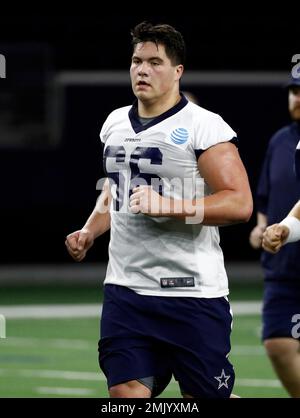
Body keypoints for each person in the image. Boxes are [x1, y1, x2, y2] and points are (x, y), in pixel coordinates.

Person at [65, 21, 253, 398]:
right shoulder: (114, 123)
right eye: (137, 61)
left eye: (155, 62)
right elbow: (115, 191)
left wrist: (172, 207)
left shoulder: (204, 126)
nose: (143, 70)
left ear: (177, 70)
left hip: (191, 293)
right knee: (125, 393)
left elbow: (239, 203)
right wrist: (90, 230)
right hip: (127, 289)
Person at [249, 76, 300, 397]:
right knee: (278, 342)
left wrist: (285, 227)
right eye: (294, 91)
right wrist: (264, 227)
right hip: (283, 266)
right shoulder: (280, 140)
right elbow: (265, 196)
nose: (297, 98)